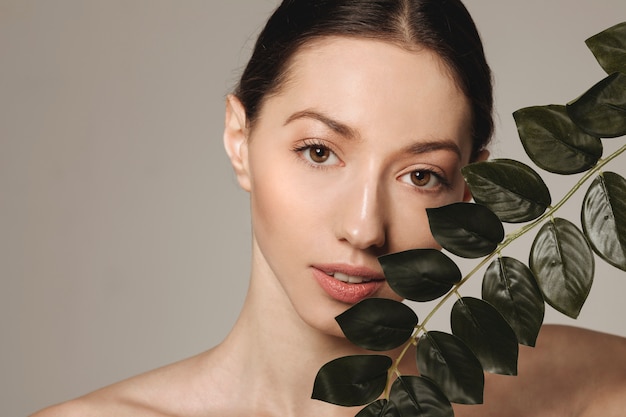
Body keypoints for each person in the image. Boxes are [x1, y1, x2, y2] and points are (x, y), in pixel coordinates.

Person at [31, 0, 626, 416]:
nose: (364, 227)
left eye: (421, 175)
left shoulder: (579, 390)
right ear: (240, 141)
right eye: (319, 152)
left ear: (470, 189)